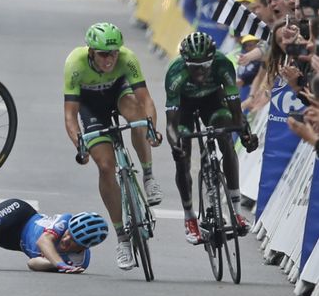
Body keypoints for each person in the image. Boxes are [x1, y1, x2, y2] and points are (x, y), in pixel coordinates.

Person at [63, 22, 162, 271]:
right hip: (90, 107)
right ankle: (123, 240)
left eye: (114, 52)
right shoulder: (75, 64)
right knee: (106, 167)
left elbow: (146, 99)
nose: (110, 59)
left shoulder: (127, 58)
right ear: (91, 52)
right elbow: (70, 115)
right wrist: (80, 146)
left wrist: (152, 128)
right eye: (104, 54)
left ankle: (148, 176)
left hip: (119, 94)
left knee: (137, 117)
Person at [164, 32, 258, 245]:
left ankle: (236, 213)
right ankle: (189, 218)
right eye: (193, 66)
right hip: (184, 108)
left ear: (212, 60)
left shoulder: (223, 65)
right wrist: (175, 145)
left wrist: (245, 133)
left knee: (226, 141)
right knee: (182, 158)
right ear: (184, 62)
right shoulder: (175, 73)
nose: (199, 71)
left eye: (205, 65)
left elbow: (235, 108)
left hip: (212, 102)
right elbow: (171, 124)